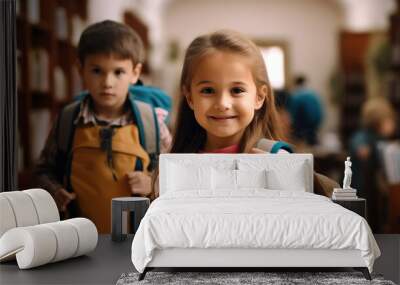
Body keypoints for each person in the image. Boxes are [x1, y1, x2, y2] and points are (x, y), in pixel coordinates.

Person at [151, 30, 336, 199]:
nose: (223, 104)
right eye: (207, 90)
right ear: (190, 97)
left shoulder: (277, 160)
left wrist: (283, 180)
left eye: (237, 90)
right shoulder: (173, 168)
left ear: (259, 96)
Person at [34, 20, 172, 233]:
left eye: (118, 72)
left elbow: (176, 177)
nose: (108, 82)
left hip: (138, 241)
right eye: (97, 70)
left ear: (135, 73)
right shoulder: (68, 120)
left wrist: (152, 184)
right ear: (81, 70)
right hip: (79, 239)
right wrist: (56, 191)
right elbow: (44, 170)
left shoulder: (151, 122)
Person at [349, 97, 397, 232]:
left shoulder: (381, 139)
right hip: (361, 189)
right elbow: (359, 146)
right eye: (389, 121)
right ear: (378, 122)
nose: (393, 124)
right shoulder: (363, 137)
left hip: (372, 188)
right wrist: (363, 150)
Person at [288, 75, 324, 146]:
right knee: (312, 142)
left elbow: (293, 113)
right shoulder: (313, 94)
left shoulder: (296, 95)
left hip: (302, 125)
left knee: (298, 142)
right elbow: (319, 111)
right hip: (315, 123)